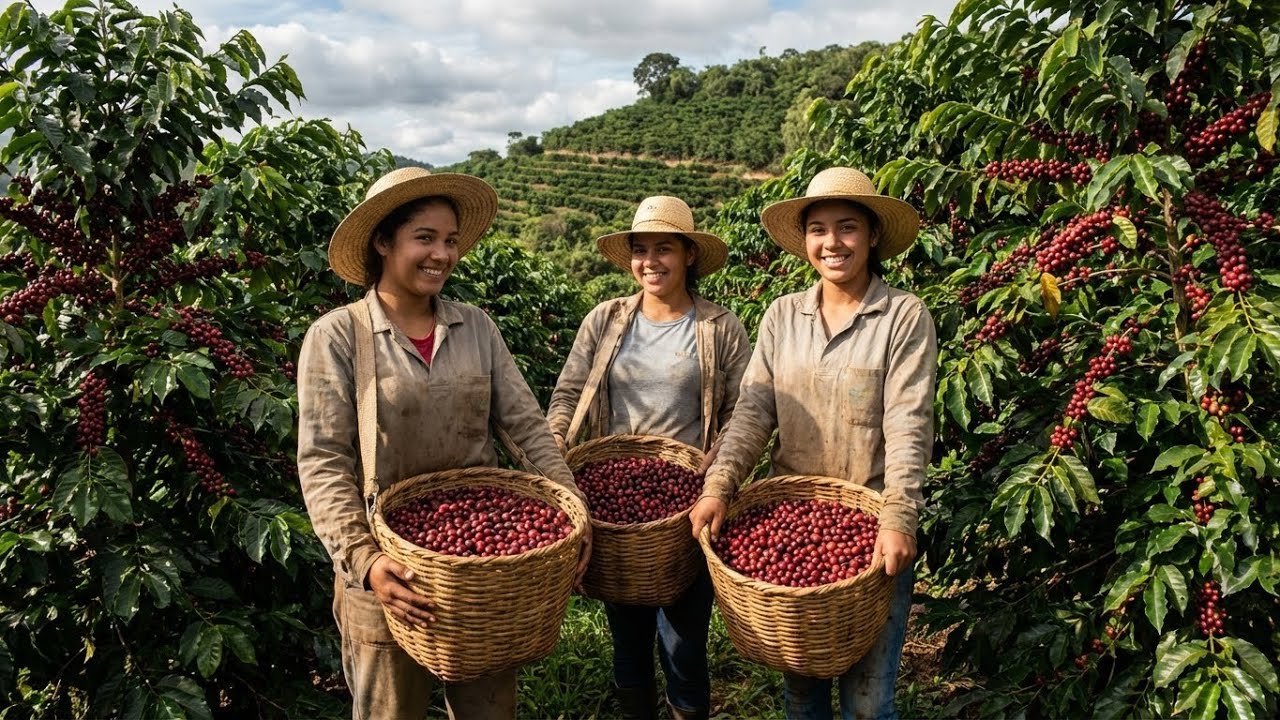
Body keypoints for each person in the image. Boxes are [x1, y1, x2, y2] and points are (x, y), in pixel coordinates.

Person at [296, 166, 588, 720]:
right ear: (383, 242)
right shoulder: (338, 336)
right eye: (424, 238)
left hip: (481, 573)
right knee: (390, 710)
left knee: (488, 706)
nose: (443, 255)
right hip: (389, 568)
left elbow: (526, 429)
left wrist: (574, 509)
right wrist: (366, 560)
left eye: (450, 240)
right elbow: (323, 462)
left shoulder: (475, 327)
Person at [689, 167, 937, 720]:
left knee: (869, 703)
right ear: (804, 241)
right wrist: (719, 487)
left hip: (869, 530)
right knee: (802, 692)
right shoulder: (782, 315)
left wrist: (897, 519)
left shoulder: (903, 316)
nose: (832, 243)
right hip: (791, 516)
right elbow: (753, 411)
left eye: (847, 227)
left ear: (872, 236)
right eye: (818, 230)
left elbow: (908, 423)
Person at [547, 196, 751, 720]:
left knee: (684, 641)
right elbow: (568, 394)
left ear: (688, 255)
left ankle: (687, 708)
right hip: (614, 500)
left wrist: (716, 476)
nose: (650, 261)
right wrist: (552, 454)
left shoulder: (719, 327)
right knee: (628, 636)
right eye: (640, 250)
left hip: (687, 500)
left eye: (664, 249)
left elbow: (743, 413)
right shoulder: (605, 320)